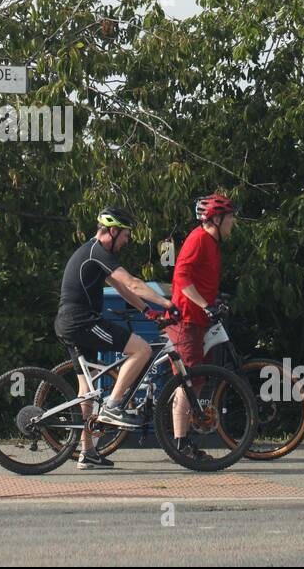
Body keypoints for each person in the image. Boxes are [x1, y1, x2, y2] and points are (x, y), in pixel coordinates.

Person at [54, 206, 176, 469]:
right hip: (81, 322)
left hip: (70, 323)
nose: (127, 240)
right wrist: (168, 304)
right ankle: (113, 405)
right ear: (112, 230)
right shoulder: (97, 251)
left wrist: (147, 310)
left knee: (86, 391)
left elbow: (121, 288)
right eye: (125, 235)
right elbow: (133, 283)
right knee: (141, 350)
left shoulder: (93, 252)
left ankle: (87, 453)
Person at [167, 193, 238, 464]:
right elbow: (181, 277)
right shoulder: (199, 239)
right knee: (187, 382)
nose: (233, 223)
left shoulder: (211, 243)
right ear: (216, 219)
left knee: (196, 381)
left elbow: (200, 280)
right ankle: (180, 444)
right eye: (230, 218)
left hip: (199, 321)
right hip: (186, 320)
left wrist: (214, 302)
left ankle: (183, 441)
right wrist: (204, 304)